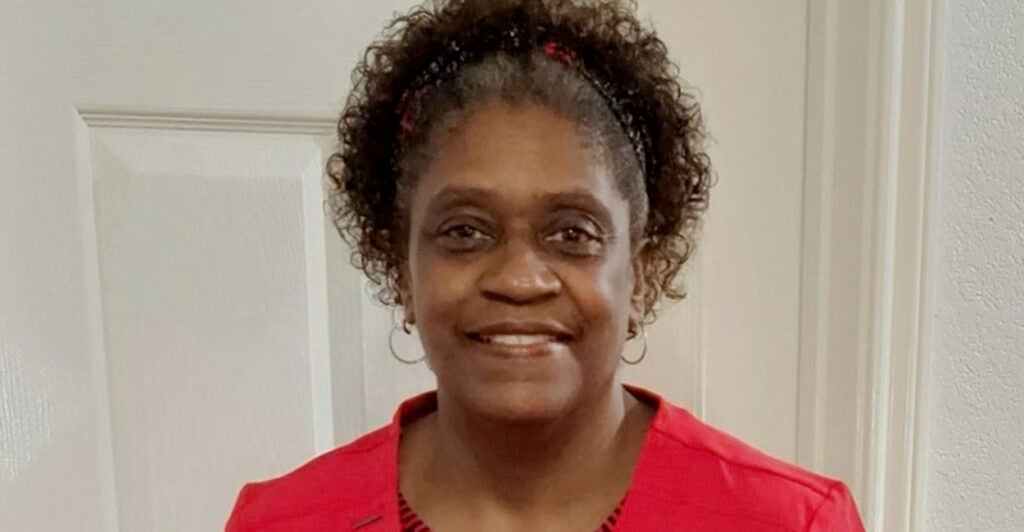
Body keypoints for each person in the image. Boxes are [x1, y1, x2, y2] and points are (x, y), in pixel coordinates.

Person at [226, 0, 865, 530]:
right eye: (465, 231)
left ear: (641, 272)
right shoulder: (282, 521)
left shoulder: (788, 522)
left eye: (571, 233)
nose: (520, 279)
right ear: (400, 267)